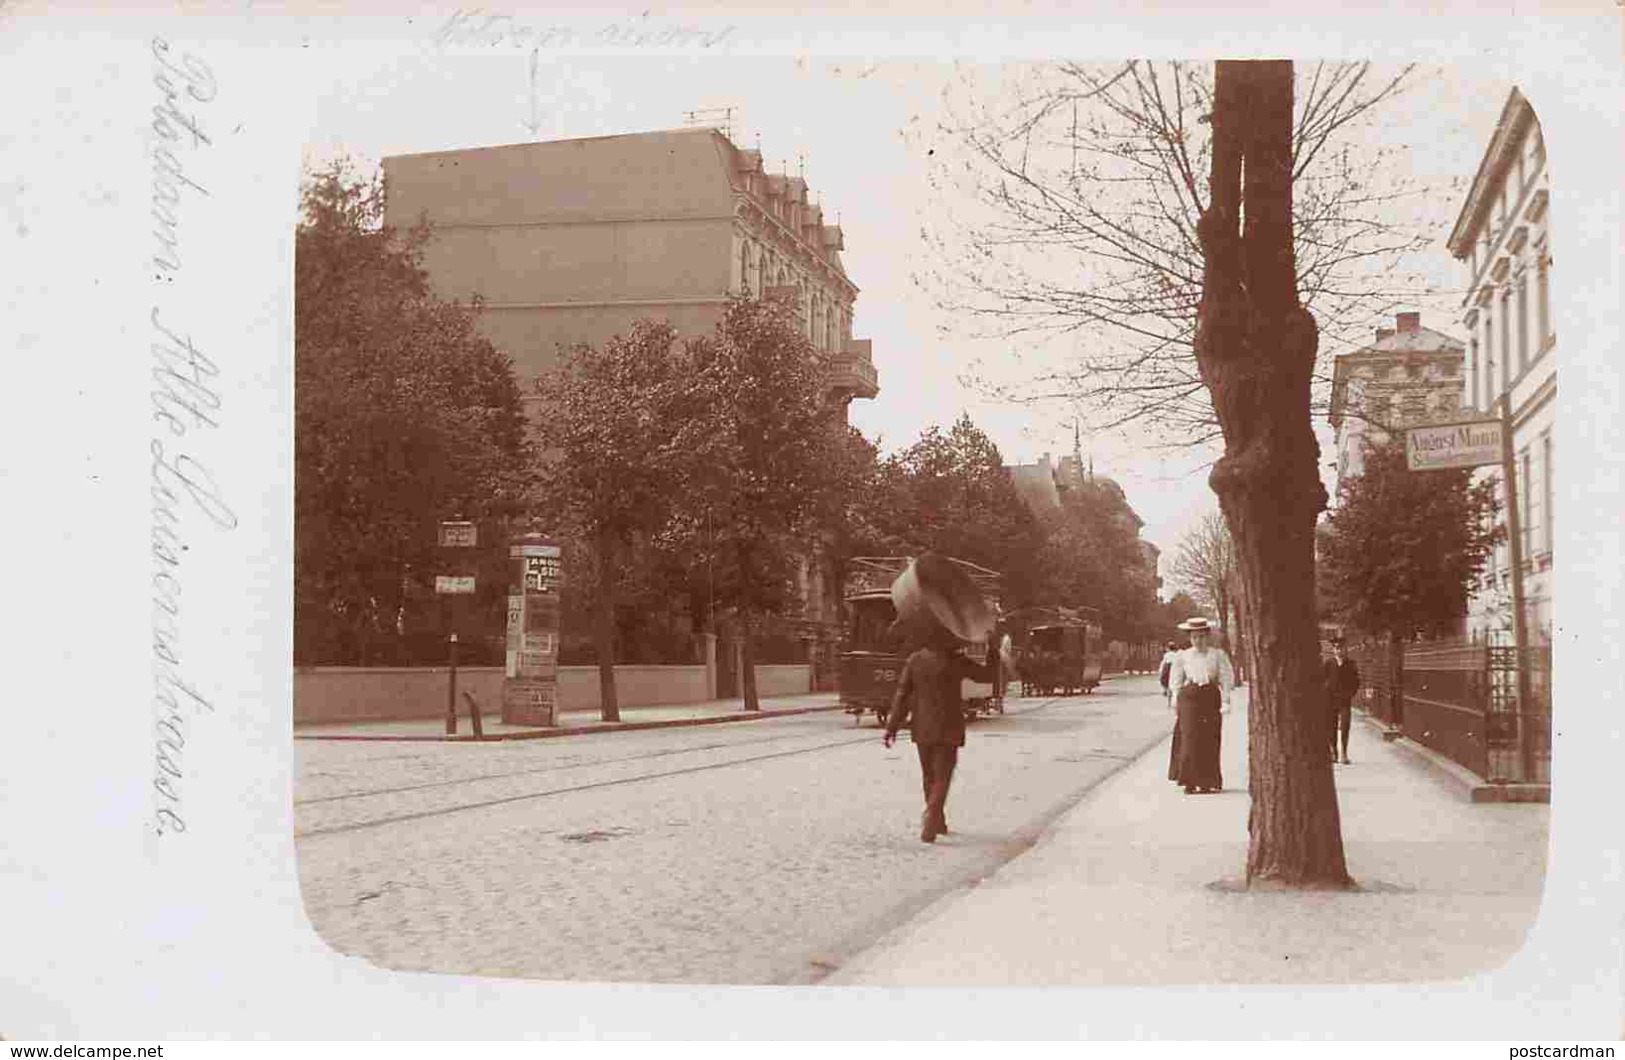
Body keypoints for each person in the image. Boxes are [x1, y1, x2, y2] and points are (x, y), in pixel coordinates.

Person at [883, 625, 997, 843]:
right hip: (949, 725)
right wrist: (992, 648)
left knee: (929, 775)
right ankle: (932, 816)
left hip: (922, 726)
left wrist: (891, 727)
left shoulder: (915, 660)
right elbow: (987, 676)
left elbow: (902, 693)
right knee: (943, 776)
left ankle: (938, 820)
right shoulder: (956, 661)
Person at [1166, 617, 1234, 794]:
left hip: (1210, 697)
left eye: (1202, 637)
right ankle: (1189, 781)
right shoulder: (1183, 656)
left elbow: (1226, 678)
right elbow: (1175, 680)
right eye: (1195, 637)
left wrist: (1226, 700)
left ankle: (1206, 781)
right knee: (1189, 736)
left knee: (1209, 737)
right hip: (1189, 698)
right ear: (1190, 638)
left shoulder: (1217, 655)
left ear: (1207, 636)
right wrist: (1175, 699)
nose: (1198, 641)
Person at [1323, 636, 1361, 764]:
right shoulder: (1329, 663)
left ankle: (1344, 753)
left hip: (1344, 700)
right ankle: (1334, 752)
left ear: (1346, 650)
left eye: (1341, 648)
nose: (1338, 651)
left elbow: (1356, 682)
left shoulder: (1351, 664)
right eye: (1336, 648)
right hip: (1330, 700)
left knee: (1345, 725)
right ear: (1333, 650)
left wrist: (1350, 694)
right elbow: (1322, 679)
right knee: (1331, 726)